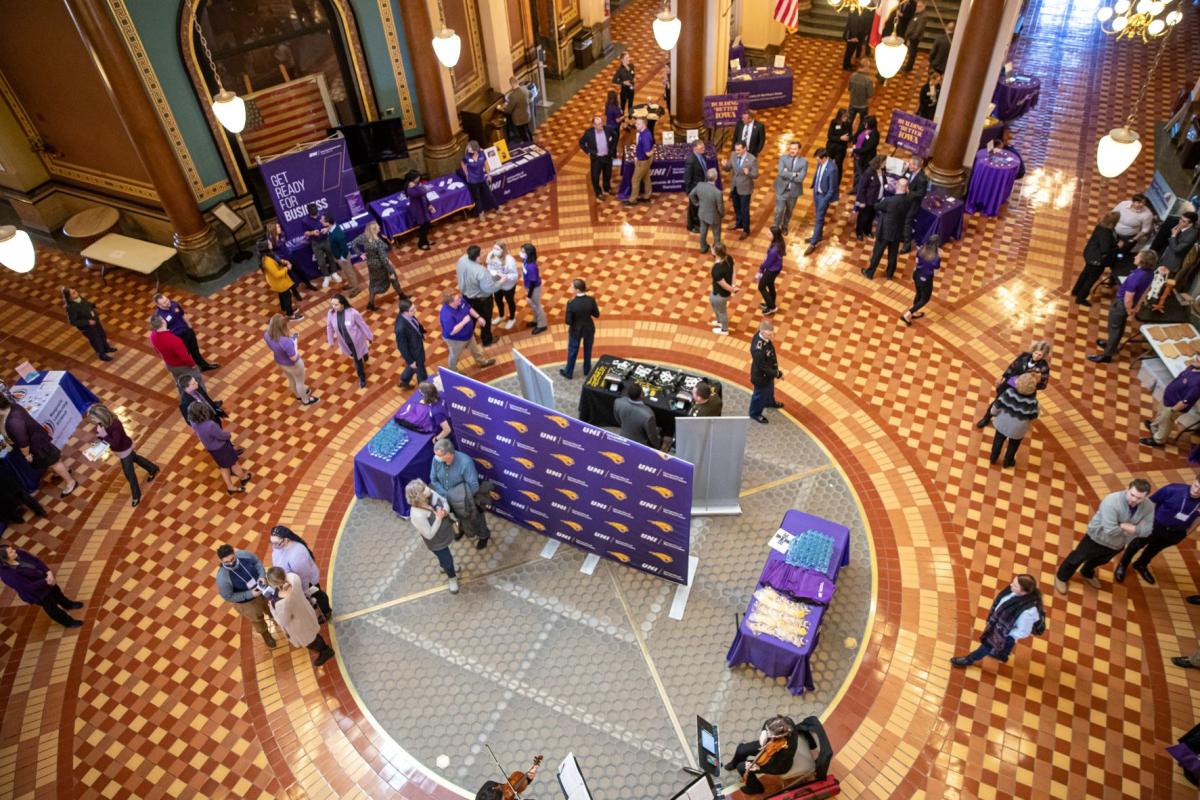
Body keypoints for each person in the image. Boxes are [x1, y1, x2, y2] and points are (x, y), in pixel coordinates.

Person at [1054, 478, 1153, 594]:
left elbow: (1147, 531)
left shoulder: (1149, 506)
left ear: (1145, 497)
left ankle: (1086, 572)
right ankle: (1062, 577)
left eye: (1139, 498)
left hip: (1118, 543)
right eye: (1132, 495)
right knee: (1077, 557)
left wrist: (1124, 526)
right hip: (1096, 538)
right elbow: (1110, 530)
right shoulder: (1112, 501)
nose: (1134, 500)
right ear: (1127, 489)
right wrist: (1133, 529)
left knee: (1102, 560)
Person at [1115, 476, 1200, 584]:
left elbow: (1198, 518)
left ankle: (1141, 564)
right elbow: (1150, 503)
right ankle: (1123, 564)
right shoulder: (1172, 489)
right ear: (1194, 480)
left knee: (1154, 549)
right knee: (1137, 544)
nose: (1196, 491)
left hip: (1176, 533)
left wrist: (1187, 533)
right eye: (1196, 485)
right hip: (1155, 525)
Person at [949, 575, 1045, 667]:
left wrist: (1004, 633)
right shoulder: (1013, 591)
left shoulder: (1028, 612)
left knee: (987, 645)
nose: (1011, 585)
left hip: (1005, 632)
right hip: (999, 626)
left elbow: (1023, 632)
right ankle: (1002, 655)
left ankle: (969, 659)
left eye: (1015, 585)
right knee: (1005, 645)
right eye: (1013, 582)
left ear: (1024, 592)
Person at [0, 395, 78, 497]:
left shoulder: (13, 422)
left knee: (53, 463)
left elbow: (23, 442)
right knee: (53, 459)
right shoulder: (13, 406)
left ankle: (70, 482)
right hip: (39, 439)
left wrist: (26, 455)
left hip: (36, 445)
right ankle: (65, 470)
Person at [1088, 249, 1157, 363]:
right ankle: (1111, 346)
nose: (1135, 256)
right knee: (1118, 327)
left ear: (1142, 261)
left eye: (1138, 256)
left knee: (1114, 328)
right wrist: (1137, 305)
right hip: (1130, 304)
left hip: (1121, 304)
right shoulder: (1150, 273)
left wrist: (1129, 310)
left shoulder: (1136, 276)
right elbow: (1146, 289)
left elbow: (1128, 297)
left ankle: (1107, 355)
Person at [84, 404, 159, 508]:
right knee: (136, 458)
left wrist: (103, 436)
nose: (92, 420)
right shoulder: (102, 425)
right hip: (121, 450)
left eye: (93, 418)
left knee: (129, 474)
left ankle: (136, 495)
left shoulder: (115, 425)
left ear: (101, 416)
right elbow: (107, 440)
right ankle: (153, 468)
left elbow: (115, 442)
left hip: (124, 449)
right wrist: (100, 439)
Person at [0, 543, 83, 628]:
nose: (14, 551)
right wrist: (47, 581)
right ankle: (68, 622)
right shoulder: (8, 575)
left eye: (12, 549)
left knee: (58, 593)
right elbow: (28, 587)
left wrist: (48, 572)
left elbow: (37, 561)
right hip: (38, 593)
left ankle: (68, 605)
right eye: (11, 552)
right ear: (5, 559)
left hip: (46, 579)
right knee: (52, 608)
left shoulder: (19, 553)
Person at [264, 566, 335, 666]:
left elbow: (283, 621)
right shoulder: (293, 578)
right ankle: (324, 648)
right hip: (306, 612)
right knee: (313, 634)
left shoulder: (281, 604)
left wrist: (272, 609)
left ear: (273, 584)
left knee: (311, 641)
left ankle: (326, 651)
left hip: (299, 626)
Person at [430, 439, 490, 550]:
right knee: (457, 518)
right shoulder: (436, 460)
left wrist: (460, 499)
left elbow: (474, 486)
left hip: (466, 501)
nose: (436, 458)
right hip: (448, 499)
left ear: (448, 454)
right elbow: (433, 479)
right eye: (436, 455)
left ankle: (484, 536)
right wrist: (447, 495)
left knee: (476, 519)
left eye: (439, 455)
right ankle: (462, 529)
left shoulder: (465, 463)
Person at [975, 342, 1051, 428]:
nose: (1036, 356)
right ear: (1033, 350)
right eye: (1035, 353)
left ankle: (1008, 425)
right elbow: (1012, 366)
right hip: (1011, 382)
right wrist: (1003, 376)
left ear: (1044, 356)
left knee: (1015, 408)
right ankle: (987, 418)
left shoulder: (1044, 367)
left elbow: (1043, 385)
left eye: (1039, 355)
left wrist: (1028, 384)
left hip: (1024, 391)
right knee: (998, 401)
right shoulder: (1024, 356)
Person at [405, 479, 461, 594]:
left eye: (424, 486)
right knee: (448, 560)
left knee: (443, 558)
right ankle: (452, 578)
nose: (427, 489)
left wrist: (445, 511)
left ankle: (442, 566)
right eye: (423, 490)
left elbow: (444, 501)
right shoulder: (416, 515)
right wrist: (439, 518)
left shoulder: (429, 494)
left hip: (445, 532)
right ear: (418, 497)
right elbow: (429, 535)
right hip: (437, 542)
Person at [214, 544, 275, 648]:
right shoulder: (222, 579)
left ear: (234, 553)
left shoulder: (244, 554)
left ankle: (275, 617)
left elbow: (256, 562)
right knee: (257, 619)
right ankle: (266, 634)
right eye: (226, 562)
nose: (231, 563)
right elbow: (228, 596)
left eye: (232, 559)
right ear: (221, 561)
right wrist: (249, 594)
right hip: (247, 603)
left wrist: (262, 576)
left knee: (272, 605)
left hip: (263, 588)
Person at [268, 526, 332, 620]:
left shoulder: (297, 555)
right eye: (271, 542)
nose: (273, 546)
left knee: (317, 596)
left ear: (286, 540)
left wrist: (305, 592)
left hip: (307, 584)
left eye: (276, 543)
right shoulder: (279, 547)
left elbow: (305, 576)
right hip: (295, 582)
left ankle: (326, 612)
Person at [725, 716, 799, 795]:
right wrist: (764, 732)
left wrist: (758, 766)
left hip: (777, 764)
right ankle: (734, 764)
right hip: (769, 745)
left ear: (779, 736)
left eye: (770, 735)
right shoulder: (785, 722)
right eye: (768, 731)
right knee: (741, 749)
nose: (768, 735)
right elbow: (767, 723)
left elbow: (775, 765)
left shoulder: (787, 750)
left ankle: (756, 788)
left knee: (741, 767)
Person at [188, 403, 251, 494]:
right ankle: (244, 478)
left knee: (223, 467)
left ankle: (230, 487)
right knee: (234, 464)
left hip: (212, 450)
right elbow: (221, 436)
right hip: (222, 448)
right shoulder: (210, 425)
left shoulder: (193, 422)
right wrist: (228, 435)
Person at [1141, 356, 1200, 448]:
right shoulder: (1192, 367)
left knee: (1166, 422)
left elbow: (1186, 402)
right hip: (1167, 399)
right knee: (1160, 415)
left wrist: (1172, 410)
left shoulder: (1198, 382)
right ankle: (1154, 427)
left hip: (1173, 406)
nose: (1196, 358)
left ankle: (1159, 440)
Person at [985, 372, 1039, 468]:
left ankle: (993, 458)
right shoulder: (1033, 401)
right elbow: (1034, 415)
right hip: (1018, 428)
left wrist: (993, 413)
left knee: (998, 440)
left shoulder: (1009, 392)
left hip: (1002, 423)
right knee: (1013, 445)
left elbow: (997, 405)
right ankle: (1008, 461)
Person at [153, 293, 218, 371]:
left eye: (167, 300)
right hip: (178, 339)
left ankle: (204, 366)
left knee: (195, 351)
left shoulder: (174, 304)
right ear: (158, 305)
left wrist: (190, 328)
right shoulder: (160, 316)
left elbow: (183, 315)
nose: (167, 303)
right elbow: (163, 332)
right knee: (184, 355)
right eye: (164, 303)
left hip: (187, 332)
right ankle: (190, 373)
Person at [264, 314, 318, 406]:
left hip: (280, 361)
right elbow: (294, 357)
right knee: (300, 382)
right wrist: (294, 344)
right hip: (294, 364)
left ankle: (298, 396)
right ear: (283, 327)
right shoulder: (286, 342)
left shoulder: (266, 334)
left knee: (291, 379)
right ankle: (306, 400)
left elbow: (272, 347)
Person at [860, 178, 909, 280]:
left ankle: (869, 272)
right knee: (893, 254)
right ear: (906, 188)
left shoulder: (889, 201)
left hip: (885, 231)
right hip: (897, 231)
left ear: (897, 186)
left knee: (877, 252)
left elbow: (877, 206)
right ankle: (890, 274)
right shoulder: (908, 200)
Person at [325, 294, 373, 388]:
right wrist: (330, 340)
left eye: (336, 305)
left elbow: (362, 325)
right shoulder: (331, 313)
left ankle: (362, 378)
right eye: (332, 304)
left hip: (356, 341)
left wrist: (369, 336)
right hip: (344, 342)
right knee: (354, 354)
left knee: (357, 360)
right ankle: (364, 353)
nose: (333, 307)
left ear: (342, 304)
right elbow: (329, 327)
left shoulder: (353, 313)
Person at [352, 221, 402, 312]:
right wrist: (390, 272)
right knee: (393, 277)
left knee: (373, 282)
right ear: (375, 230)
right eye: (378, 227)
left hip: (371, 265)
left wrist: (360, 254)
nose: (379, 227)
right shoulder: (378, 243)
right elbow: (384, 259)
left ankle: (370, 304)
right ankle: (402, 296)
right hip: (381, 266)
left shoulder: (365, 236)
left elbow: (353, 243)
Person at [1071, 211, 1119, 306]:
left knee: (1085, 274)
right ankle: (1080, 298)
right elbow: (1105, 249)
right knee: (1091, 279)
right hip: (1097, 260)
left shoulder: (1100, 226)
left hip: (1090, 255)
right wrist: (1118, 246)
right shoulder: (1106, 233)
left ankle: (1076, 291)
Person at [440, 289, 495, 372]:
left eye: (459, 297)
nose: (460, 299)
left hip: (469, 334)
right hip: (456, 340)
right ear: (451, 303)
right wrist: (464, 322)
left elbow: (469, 308)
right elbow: (452, 331)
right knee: (454, 356)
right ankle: (453, 371)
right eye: (457, 299)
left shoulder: (459, 300)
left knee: (475, 349)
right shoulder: (446, 314)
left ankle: (482, 362)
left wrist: (478, 317)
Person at [457, 245, 501, 346]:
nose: (483, 253)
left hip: (466, 297)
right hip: (482, 300)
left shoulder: (462, 259)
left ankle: (468, 339)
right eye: (481, 253)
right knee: (485, 319)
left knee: (470, 319)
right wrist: (500, 282)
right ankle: (487, 340)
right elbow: (489, 288)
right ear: (477, 257)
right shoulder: (481, 271)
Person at [149, 315, 205, 390]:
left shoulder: (152, 335)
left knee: (181, 385)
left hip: (170, 365)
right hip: (182, 366)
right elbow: (184, 357)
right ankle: (204, 401)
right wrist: (193, 365)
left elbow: (156, 350)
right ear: (163, 322)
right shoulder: (174, 340)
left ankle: (186, 399)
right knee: (198, 382)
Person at [62, 287, 116, 361]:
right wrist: (87, 322)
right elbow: (73, 321)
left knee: (102, 335)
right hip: (87, 327)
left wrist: (94, 305)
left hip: (95, 321)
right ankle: (101, 355)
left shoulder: (79, 298)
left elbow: (87, 304)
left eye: (75, 291)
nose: (76, 292)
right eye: (73, 293)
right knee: (96, 340)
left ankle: (107, 348)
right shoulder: (71, 307)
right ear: (69, 297)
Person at [561, 278, 600, 379]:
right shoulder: (591, 300)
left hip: (575, 330)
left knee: (572, 351)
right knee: (588, 350)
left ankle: (568, 372)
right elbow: (596, 315)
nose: (570, 288)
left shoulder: (571, 303)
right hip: (589, 329)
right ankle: (587, 370)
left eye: (572, 287)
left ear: (577, 290)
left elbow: (568, 321)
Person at [804, 148, 838, 255]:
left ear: (824, 158)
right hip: (816, 193)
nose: (817, 161)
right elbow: (818, 174)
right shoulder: (821, 163)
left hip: (824, 197)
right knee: (819, 216)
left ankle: (813, 243)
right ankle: (818, 236)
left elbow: (832, 188)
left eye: (818, 159)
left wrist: (825, 201)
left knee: (818, 218)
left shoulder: (832, 169)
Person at [258, 240, 303, 321]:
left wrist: (284, 261)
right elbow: (277, 274)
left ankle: (286, 309)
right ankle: (290, 315)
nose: (271, 243)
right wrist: (287, 268)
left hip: (277, 282)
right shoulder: (267, 260)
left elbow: (276, 261)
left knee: (282, 295)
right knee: (287, 296)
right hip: (279, 282)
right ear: (265, 247)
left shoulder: (268, 255)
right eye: (269, 243)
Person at [749, 319, 783, 423]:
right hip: (761, 376)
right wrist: (778, 374)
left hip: (769, 373)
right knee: (759, 395)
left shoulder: (764, 338)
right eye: (769, 334)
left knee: (770, 389)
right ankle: (755, 413)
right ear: (762, 332)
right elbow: (764, 367)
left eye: (772, 333)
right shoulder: (757, 349)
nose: (772, 336)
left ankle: (769, 402)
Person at [901, 235, 941, 325]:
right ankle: (908, 314)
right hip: (926, 280)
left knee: (919, 293)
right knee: (925, 299)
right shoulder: (936, 258)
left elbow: (916, 261)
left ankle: (914, 312)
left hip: (916, 275)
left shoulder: (921, 250)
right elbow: (936, 272)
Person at [773, 141, 808, 235]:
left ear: (799, 150)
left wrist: (787, 173)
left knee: (789, 210)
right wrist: (794, 174)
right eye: (791, 148)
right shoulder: (783, 158)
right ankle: (775, 228)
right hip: (781, 189)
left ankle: (784, 227)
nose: (792, 151)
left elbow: (800, 178)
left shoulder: (804, 162)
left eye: (795, 149)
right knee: (779, 210)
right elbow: (780, 172)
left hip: (793, 191)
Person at [725, 141, 758, 240]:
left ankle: (746, 229)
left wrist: (748, 173)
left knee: (744, 209)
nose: (737, 152)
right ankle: (738, 223)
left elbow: (755, 175)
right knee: (736, 207)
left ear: (745, 149)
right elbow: (728, 168)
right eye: (736, 150)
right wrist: (725, 165)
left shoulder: (752, 159)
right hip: (734, 187)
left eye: (739, 150)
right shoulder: (733, 154)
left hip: (745, 189)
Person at [300, 204, 339, 289]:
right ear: (309, 212)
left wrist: (327, 229)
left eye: (316, 212)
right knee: (321, 262)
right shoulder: (305, 221)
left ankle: (334, 273)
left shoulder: (323, 214)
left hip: (326, 239)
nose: (316, 215)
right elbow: (305, 232)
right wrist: (312, 233)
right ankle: (326, 276)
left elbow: (333, 224)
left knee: (331, 257)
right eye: (313, 213)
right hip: (315, 243)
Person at [614, 382, 662, 449]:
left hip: (623, 436)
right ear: (641, 395)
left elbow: (618, 420)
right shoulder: (648, 414)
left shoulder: (618, 402)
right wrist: (658, 446)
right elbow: (652, 436)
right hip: (640, 444)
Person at [322, 213, 361, 295]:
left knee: (349, 273)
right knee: (346, 271)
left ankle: (356, 289)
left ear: (328, 223)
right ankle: (351, 284)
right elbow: (332, 228)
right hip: (338, 255)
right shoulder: (333, 227)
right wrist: (327, 229)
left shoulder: (338, 235)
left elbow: (344, 249)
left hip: (343, 257)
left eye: (322, 220)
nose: (320, 221)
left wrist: (342, 259)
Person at [579, 115, 616, 199]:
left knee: (608, 174)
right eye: (598, 124)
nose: (601, 126)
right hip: (596, 159)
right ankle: (598, 193)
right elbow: (581, 142)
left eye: (601, 123)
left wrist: (612, 149)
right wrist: (588, 152)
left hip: (607, 157)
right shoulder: (589, 133)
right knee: (595, 177)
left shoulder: (608, 129)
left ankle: (607, 188)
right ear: (594, 125)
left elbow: (614, 136)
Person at [394, 296, 428, 388]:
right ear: (405, 312)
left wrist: (422, 332)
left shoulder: (409, 315)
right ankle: (425, 391)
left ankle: (404, 380)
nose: (415, 310)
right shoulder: (400, 328)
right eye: (412, 310)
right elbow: (402, 347)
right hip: (414, 353)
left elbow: (415, 323)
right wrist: (410, 361)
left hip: (417, 346)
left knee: (414, 366)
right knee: (421, 371)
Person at [690, 168, 725, 254]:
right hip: (714, 217)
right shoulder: (717, 192)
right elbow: (720, 207)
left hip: (702, 214)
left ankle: (703, 247)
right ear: (716, 178)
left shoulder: (700, 185)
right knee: (716, 235)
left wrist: (697, 204)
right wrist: (721, 214)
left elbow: (691, 195)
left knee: (703, 231)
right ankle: (717, 252)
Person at [462, 141, 499, 220]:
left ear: (475, 149)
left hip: (482, 179)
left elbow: (486, 164)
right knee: (477, 198)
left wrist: (489, 175)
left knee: (489, 195)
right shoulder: (466, 157)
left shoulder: (482, 154)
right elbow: (462, 163)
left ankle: (497, 208)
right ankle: (481, 214)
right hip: (473, 182)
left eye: (470, 147)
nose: (468, 149)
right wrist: (466, 174)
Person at [488, 241, 520, 331]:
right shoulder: (491, 255)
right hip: (497, 284)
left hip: (508, 286)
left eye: (497, 249)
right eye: (494, 248)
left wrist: (504, 276)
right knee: (498, 300)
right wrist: (493, 272)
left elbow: (514, 276)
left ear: (503, 250)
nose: (494, 250)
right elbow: (489, 267)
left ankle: (512, 318)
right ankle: (501, 315)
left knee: (510, 301)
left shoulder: (510, 260)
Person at [853, 155, 887, 241]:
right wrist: (861, 201)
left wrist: (885, 184)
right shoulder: (869, 172)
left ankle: (867, 230)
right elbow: (862, 187)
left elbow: (884, 180)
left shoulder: (883, 170)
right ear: (879, 162)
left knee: (871, 216)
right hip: (867, 200)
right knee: (863, 217)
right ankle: (859, 232)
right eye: (884, 162)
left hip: (877, 200)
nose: (885, 164)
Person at [900, 157, 929, 253]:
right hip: (905, 201)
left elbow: (921, 194)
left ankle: (906, 246)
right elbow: (904, 177)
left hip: (913, 205)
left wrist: (910, 192)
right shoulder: (910, 170)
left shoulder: (922, 178)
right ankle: (901, 236)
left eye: (911, 164)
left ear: (916, 166)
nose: (909, 165)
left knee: (907, 223)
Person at [710, 242, 738, 335]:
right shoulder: (729, 258)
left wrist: (732, 289)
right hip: (721, 292)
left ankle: (724, 330)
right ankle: (719, 321)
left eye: (712, 248)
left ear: (715, 253)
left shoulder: (716, 269)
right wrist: (733, 285)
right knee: (714, 304)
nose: (711, 249)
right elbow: (734, 271)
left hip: (720, 294)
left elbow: (723, 284)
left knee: (722, 312)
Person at [403, 171, 436, 251]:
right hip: (418, 210)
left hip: (424, 208)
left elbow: (424, 195)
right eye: (417, 177)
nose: (419, 178)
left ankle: (426, 241)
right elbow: (422, 191)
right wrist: (415, 186)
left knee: (427, 224)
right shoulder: (409, 189)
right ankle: (421, 243)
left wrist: (429, 204)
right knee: (424, 226)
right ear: (413, 179)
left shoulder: (416, 185)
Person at [520, 243, 548, 335]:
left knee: (537, 306)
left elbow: (532, 282)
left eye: (523, 251)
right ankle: (536, 320)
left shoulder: (531, 266)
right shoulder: (526, 260)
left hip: (533, 288)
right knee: (533, 305)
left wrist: (529, 295)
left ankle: (542, 325)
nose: (521, 253)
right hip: (529, 286)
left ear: (528, 253)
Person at [756, 226, 785, 315]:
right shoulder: (778, 242)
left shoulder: (774, 250)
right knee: (770, 284)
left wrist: (760, 270)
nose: (767, 234)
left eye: (769, 233)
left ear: (774, 235)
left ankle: (772, 307)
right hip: (775, 268)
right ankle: (770, 303)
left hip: (772, 270)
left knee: (761, 286)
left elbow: (768, 263)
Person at [684, 140, 710, 233]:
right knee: (693, 208)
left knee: (699, 206)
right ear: (695, 149)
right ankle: (691, 226)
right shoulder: (691, 160)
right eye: (701, 148)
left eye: (704, 147)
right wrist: (689, 191)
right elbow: (687, 177)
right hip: (694, 189)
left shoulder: (702, 155)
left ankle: (699, 222)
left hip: (702, 187)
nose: (704, 149)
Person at [628, 118, 654, 204]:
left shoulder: (645, 136)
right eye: (636, 123)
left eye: (638, 124)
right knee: (646, 178)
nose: (635, 125)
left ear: (644, 124)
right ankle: (647, 196)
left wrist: (652, 152)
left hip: (643, 162)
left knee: (635, 180)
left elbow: (647, 153)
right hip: (644, 160)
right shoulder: (644, 132)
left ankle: (632, 200)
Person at [825, 109, 852, 186]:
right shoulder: (834, 122)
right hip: (831, 147)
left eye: (846, 117)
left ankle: (837, 183)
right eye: (844, 117)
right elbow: (830, 136)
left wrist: (848, 138)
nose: (845, 119)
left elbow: (850, 134)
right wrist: (840, 138)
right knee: (828, 163)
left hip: (841, 149)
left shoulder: (848, 123)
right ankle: (826, 179)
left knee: (839, 165)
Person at [847, 59, 875, 134]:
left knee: (849, 122)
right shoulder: (868, 80)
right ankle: (858, 136)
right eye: (868, 67)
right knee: (863, 123)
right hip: (863, 105)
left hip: (852, 103)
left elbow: (849, 88)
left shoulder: (852, 76)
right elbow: (870, 94)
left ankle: (848, 135)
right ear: (865, 67)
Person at [851, 115, 879, 186]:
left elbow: (867, 149)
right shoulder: (863, 128)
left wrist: (854, 150)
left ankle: (860, 191)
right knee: (856, 173)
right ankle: (855, 189)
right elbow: (855, 136)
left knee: (863, 175)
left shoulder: (874, 134)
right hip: (856, 156)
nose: (864, 124)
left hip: (865, 159)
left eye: (866, 123)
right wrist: (854, 144)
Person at [504, 75, 532, 144]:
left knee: (522, 133)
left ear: (511, 84)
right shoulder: (525, 89)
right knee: (527, 130)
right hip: (527, 115)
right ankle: (531, 142)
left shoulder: (513, 96)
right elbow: (531, 95)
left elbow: (509, 110)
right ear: (518, 82)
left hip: (519, 119)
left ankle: (527, 145)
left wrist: (504, 107)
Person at [902, 0, 928, 72]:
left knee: (912, 53)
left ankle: (908, 68)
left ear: (924, 6)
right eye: (917, 6)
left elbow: (919, 28)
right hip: (911, 36)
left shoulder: (923, 16)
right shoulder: (917, 14)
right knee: (910, 52)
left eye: (920, 6)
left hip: (914, 38)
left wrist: (913, 36)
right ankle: (907, 66)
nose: (918, 8)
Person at [612, 52, 635, 118]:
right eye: (626, 58)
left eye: (628, 57)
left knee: (631, 105)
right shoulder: (620, 70)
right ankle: (623, 121)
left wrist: (628, 69)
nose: (628, 59)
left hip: (631, 88)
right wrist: (623, 82)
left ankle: (630, 120)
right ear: (622, 60)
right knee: (623, 106)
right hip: (624, 90)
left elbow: (633, 75)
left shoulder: (631, 66)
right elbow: (614, 80)